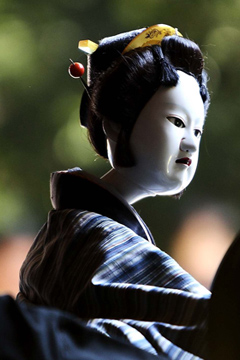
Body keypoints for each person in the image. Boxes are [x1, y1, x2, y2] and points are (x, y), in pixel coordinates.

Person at [18, 24, 211, 359]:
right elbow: (219, 325)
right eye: (177, 122)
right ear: (116, 123)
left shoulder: (73, 231)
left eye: (197, 129)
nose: (191, 141)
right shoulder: (91, 237)